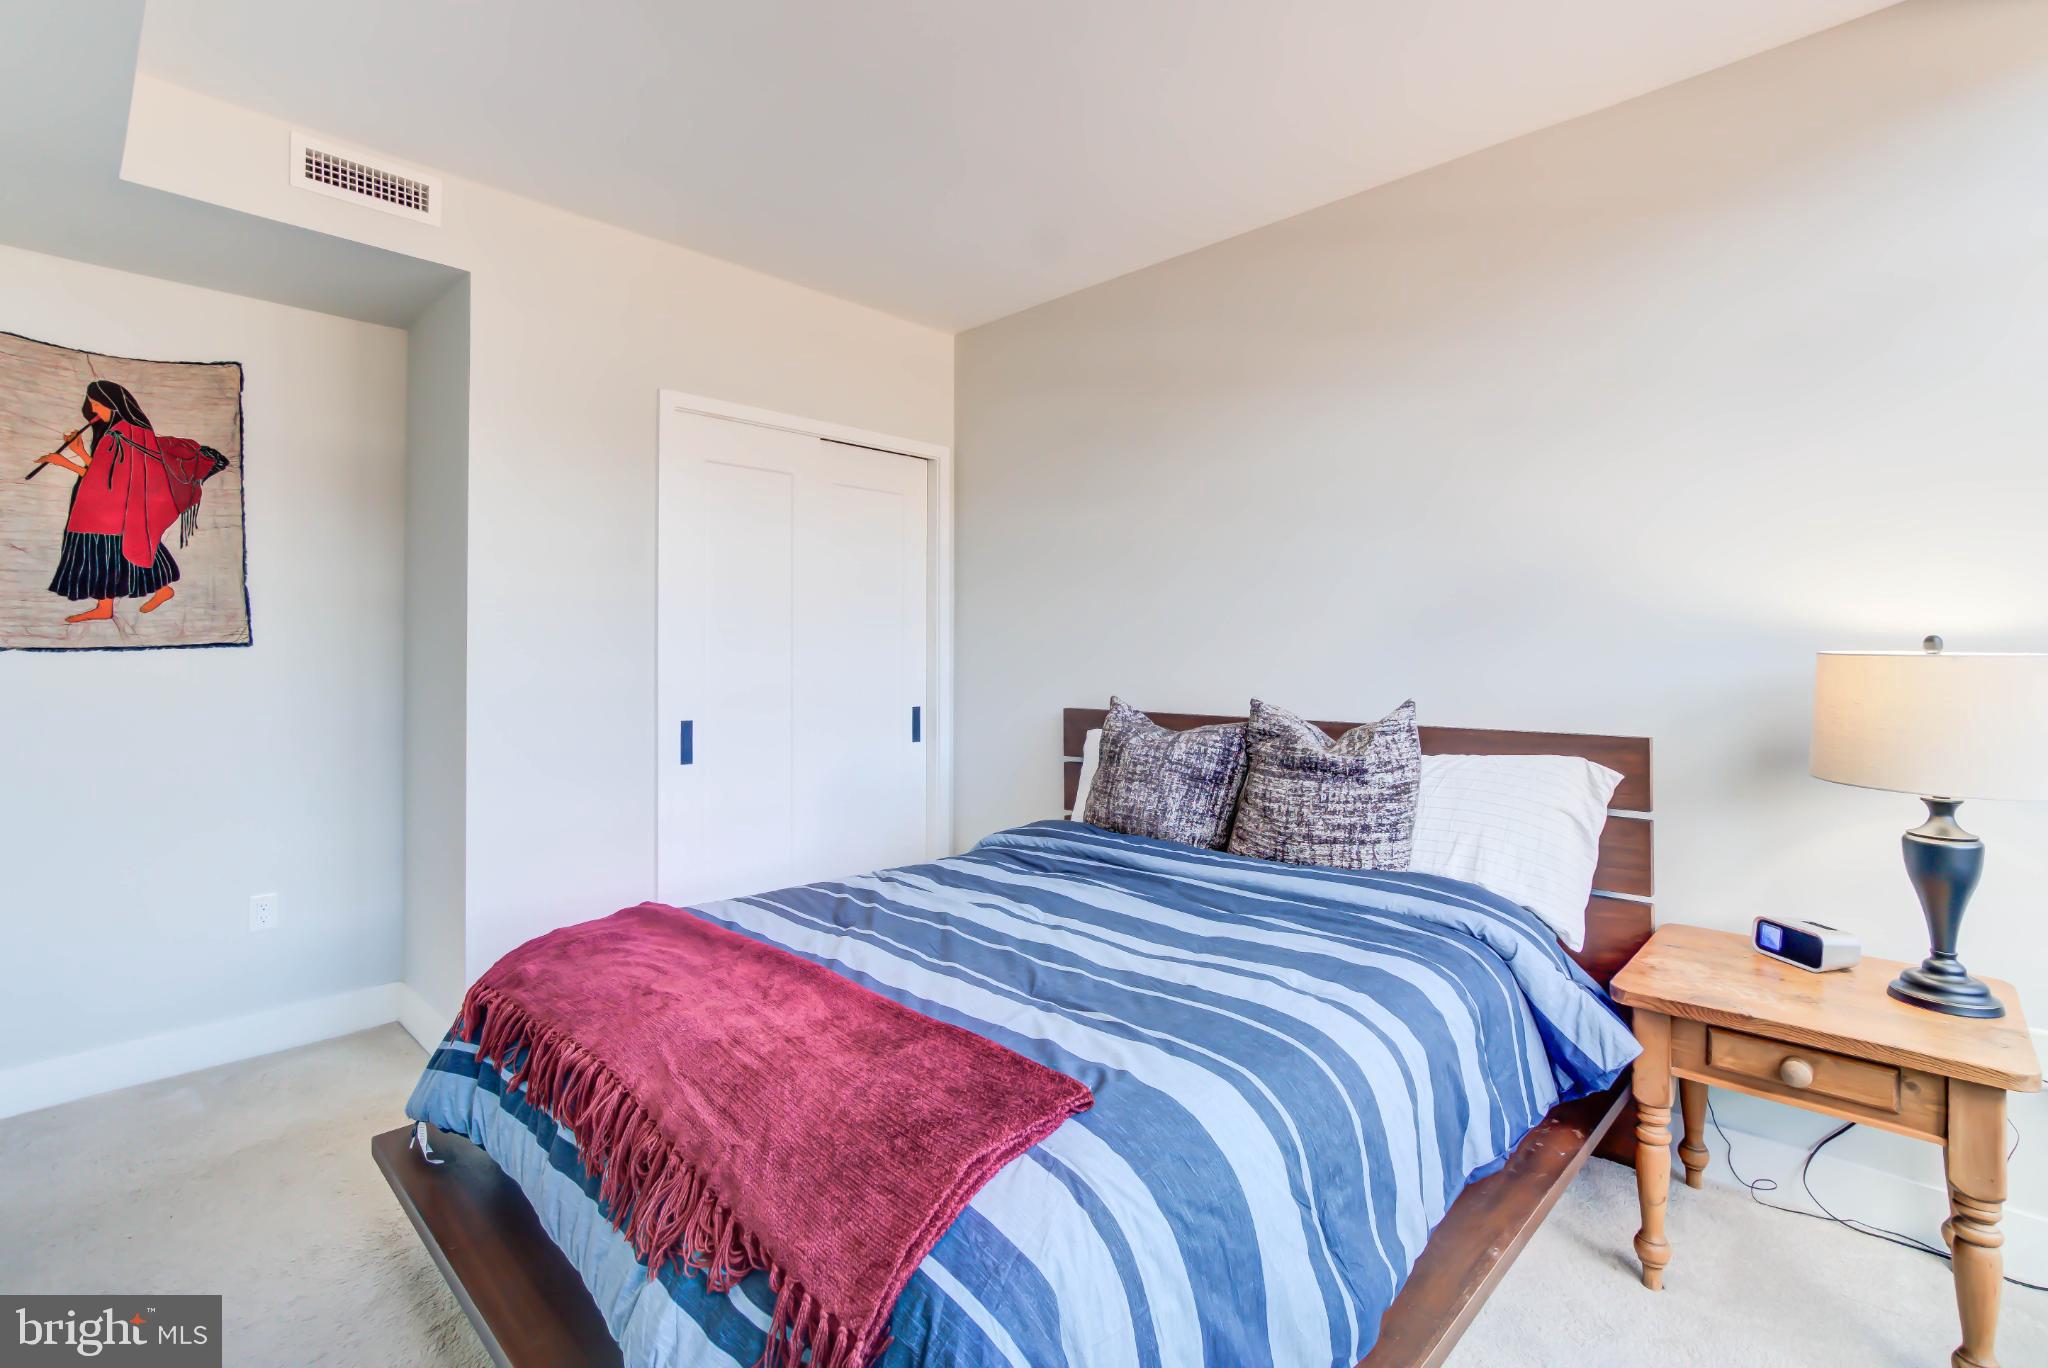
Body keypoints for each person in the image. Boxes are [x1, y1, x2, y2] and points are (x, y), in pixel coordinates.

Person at [33, 380, 228, 624]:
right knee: (125, 550)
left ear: (111, 404)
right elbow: (105, 471)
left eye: (96, 405)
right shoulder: (132, 432)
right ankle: (146, 594)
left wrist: (62, 461)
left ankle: (113, 605)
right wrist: (80, 450)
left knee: (108, 554)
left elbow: (97, 476)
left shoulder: (118, 434)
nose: (94, 411)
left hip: (106, 509)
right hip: (113, 506)